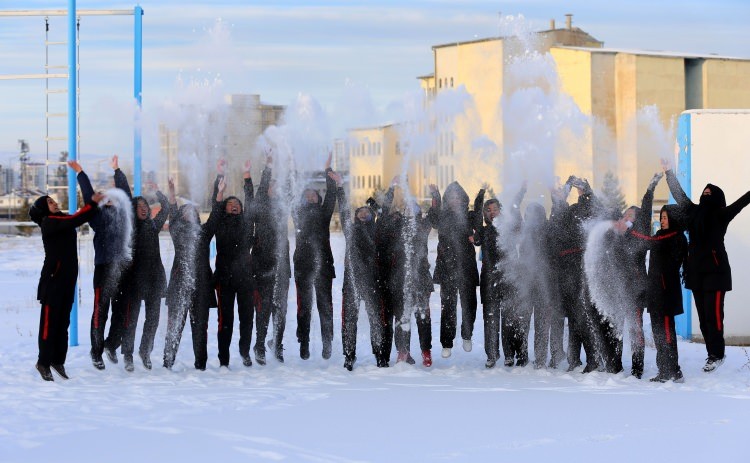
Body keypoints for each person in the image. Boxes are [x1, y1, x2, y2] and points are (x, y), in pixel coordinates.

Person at [663, 157, 750, 372]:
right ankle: (712, 354)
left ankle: (717, 354)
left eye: (710, 193)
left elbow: (742, 202)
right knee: (703, 318)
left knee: (714, 316)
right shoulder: (692, 212)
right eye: (704, 192)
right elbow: (679, 194)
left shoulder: (722, 214)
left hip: (716, 272)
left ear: (718, 198)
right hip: (696, 273)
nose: (706, 194)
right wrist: (668, 172)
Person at [29, 161, 103, 381]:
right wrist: (91, 204)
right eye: (49, 202)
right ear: (43, 209)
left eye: (52, 200)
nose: (53, 203)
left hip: (68, 280)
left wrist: (92, 202)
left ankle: (57, 360)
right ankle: (43, 362)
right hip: (53, 281)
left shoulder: (60, 218)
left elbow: (80, 216)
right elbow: (77, 218)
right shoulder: (49, 222)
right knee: (49, 324)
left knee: (63, 323)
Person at [594, 173, 660, 378]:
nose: (626, 217)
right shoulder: (614, 236)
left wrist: (650, 188)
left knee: (635, 329)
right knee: (615, 327)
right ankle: (614, 365)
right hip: (615, 288)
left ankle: (637, 368)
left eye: (631, 215)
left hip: (635, 290)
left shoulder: (640, 236)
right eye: (625, 214)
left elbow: (646, 210)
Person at [69, 156, 131, 370]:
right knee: (100, 312)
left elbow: (125, 193)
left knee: (122, 313)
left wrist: (117, 169)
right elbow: (89, 197)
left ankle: (110, 345)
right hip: (104, 268)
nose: (109, 197)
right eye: (104, 197)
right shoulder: (97, 217)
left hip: (123, 269)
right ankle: (96, 352)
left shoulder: (124, 215)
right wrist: (80, 173)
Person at [378, 179, 438, 368]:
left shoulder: (423, 226)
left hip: (420, 279)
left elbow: (435, 215)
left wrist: (435, 195)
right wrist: (391, 189)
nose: (411, 213)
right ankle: (403, 352)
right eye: (408, 210)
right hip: (399, 280)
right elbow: (384, 214)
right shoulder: (395, 228)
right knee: (401, 317)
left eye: (415, 210)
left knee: (423, 317)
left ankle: (426, 352)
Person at [162, 178, 218, 371]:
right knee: (174, 326)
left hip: (201, 286)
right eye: (184, 211)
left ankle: (200, 364)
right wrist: (172, 193)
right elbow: (172, 213)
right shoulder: (177, 231)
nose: (188, 213)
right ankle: (168, 361)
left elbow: (216, 214)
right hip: (179, 285)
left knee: (200, 327)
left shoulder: (204, 232)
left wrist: (218, 188)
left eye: (192, 211)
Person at [116, 170, 169, 372]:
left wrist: (158, 193)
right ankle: (128, 355)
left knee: (153, 319)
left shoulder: (153, 226)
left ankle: (145, 351)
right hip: (135, 280)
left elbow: (165, 209)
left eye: (145, 206)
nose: (144, 209)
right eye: (139, 207)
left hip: (155, 279)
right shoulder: (131, 228)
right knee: (132, 319)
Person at [332, 170, 385, 370]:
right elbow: (344, 209)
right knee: (349, 320)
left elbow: (384, 211)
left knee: (375, 319)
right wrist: (339, 186)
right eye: (359, 212)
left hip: (372, 281)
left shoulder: (377, 230)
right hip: (352, 281)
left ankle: (379, 354)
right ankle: (349, 355)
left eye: (367, 212)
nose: (363, 213)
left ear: (372, 216)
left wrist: (386, 194)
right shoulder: (351, 230)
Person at [550, 175, 602, 373]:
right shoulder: (563, 217)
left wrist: (584, 189)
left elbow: (591, 207)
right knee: (573, 316)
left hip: (582, 269)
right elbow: (557, 213)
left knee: (584, 314)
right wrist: (565, 191)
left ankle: (592, 359)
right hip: (566, 271)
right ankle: (574, 358)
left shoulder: (584, 215)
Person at [207, 159, 255, 368]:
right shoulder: (219, 221)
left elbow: (251, 198)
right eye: (230, 204)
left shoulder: (247, 221)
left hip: (245, 277)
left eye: (237, 205)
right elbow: (215, 205)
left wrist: (246, 175)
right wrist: (220, 178)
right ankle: (223, 358)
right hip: (224, 278)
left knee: (247, 318)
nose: (234, 206)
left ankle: (245, 352)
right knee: (224, 321)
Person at [292, 153, 337, 360]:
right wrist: (293, 166)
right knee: (304, 306)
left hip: (324, 266)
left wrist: (327, 170)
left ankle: (327, 343)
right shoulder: (298, 213)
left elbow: (331, 194)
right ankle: (304, 342)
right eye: (307, 195)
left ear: (318, 199)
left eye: (313, 195)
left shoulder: (324, 213)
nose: (310, 197)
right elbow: (293, 191)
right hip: (303, 265)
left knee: (325, 305)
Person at [635, 204, 687, 382]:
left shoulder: (675, 237)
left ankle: (673, 370)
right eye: (661, 217)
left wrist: (630, 230)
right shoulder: (660, 236)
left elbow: (651, 242)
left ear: (673, 219)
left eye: (665, 217)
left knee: (666, 333)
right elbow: (650, 242)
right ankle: (664, 370)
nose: (661, 220)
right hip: (656, 293)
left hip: (667, 294)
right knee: (659, 334)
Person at [432, 181, 481, 358]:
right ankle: (447, 343)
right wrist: (435, 195)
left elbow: (479, 236)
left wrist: (475, 238)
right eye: (451, 197)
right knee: (448, 306)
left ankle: (466, 335)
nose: (454, 200)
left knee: (469, 304)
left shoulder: (469, 215)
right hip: (447, 266)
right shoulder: (442, 216)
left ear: (463, 199)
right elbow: (433, 219)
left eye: (458, 197)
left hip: (466, 266)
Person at [251, 155, 292, 364]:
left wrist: (287, 163)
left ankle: (276, 342)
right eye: (271, 186)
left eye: (277, 187)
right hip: (262, 265)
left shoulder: (282, 208)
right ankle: (259, 345)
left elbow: (290, 188)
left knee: (281, 309)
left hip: (282, 266)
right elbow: (262, 189)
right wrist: (268, 166)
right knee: (264, 307)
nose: (274, 189)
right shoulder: (260, 207)